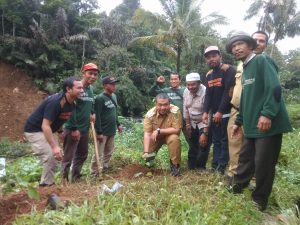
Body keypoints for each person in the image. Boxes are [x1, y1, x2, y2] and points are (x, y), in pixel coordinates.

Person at [226, 31, 292, 211]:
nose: (236, 48)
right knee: (245, 158)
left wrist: (268, 114)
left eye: (240, 44)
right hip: (251, 125)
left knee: (264, 164)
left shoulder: (262, 61)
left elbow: (275, 89)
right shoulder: (246, 68)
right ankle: (237, 186)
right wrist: (239, 122)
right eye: (233, 46)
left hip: (267, 126)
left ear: (250, 45)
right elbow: (247, 99)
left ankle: (260, 199)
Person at [24, 77, 84, 186]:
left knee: (57, 156)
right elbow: (45, 125)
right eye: (79, 88)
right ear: (68, 89)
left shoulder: (72, 103)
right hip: (35, 130)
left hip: (48, 130)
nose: (82, 90)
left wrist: (60, 132)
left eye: (82, 88)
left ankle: (48, 183)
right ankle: (46, 186)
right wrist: (54, 146)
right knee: (51, 154)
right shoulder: (56, 102)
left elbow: (59, 118)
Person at [61, 63, 99, 182]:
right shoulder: (76, 87)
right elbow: (68, 107)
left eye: (95, 74)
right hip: (73, 128)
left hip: (84, 128)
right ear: (83, 73)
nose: (93, 76)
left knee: (82, 154)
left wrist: (92, 112)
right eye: (90, 73)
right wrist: (73, 129)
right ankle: (64, 180)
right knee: (68, 157)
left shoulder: (90, 89)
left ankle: (76, 177)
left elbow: (90, 103)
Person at [202, 46, 236, 174]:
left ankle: (221, 168)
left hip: (226, 113)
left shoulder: (228, 70)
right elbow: (208, 95)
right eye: (209, 57)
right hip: (214, 114)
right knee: (216, 140)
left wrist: (220, 111)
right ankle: (214, 166)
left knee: (224, 141)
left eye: (214, 56)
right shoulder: (209, 75)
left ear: (220, 56)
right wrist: (205, 111)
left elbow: (229, 92)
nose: (212, 59)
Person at [142, 93, 182, 176]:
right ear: (155, 104)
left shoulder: (175, 111)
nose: (162, 108)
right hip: (155, 136)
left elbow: (177, 129)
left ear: (169, 103)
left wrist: (159, 131)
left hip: (170, 134)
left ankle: (175, 166)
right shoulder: (150, 115)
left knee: (174, 139)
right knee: (148, 153)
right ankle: (149, 167)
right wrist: (146, 152)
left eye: (165, 105)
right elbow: (147, 134)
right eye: (160, 105)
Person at [90, 75, 123, 177]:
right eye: (111, 84)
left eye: (115, 84)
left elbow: (114, 112)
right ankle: (94, 172)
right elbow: (97, 116)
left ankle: (104, 168)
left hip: (111, 130)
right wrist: (99, 132)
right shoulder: (100, 98)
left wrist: (118, 124)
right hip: (102, 131)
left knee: (109, 151)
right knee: (98, 153)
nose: (114, 86)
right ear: (105, 86)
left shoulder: (114, 96)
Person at [183, 73, 210, 171]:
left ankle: (200, 167)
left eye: (193, 84)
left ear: (199, 83)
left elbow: (209, 113)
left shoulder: (206, 92)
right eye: (188, 84)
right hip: (192, 121)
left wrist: (205, 132)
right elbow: (185, 108)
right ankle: (191, 166)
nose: (190, 87)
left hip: (204, 122)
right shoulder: (186, 91)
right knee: (192, 143)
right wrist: (187, 123)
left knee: (203, 144)